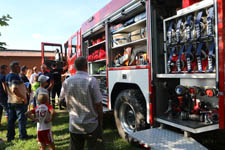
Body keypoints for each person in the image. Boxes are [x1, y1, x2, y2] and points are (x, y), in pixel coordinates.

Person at [59, 56, 104, 150]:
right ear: (86, 66)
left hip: (74, 124)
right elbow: (99, 104)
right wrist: (100, 122)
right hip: (91, 124)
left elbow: (61, 99)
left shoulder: (67, 81)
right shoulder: (92, 80)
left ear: (74, 67)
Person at [6, 61, 32, 142]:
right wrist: (24, 98)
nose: (20, 68)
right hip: (18, 102)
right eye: (18, 67)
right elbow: (15, 89)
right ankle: (23, 136)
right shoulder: (14, 76)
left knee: (11, 120)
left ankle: (10, 137)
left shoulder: (8, 76)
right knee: (22, 120)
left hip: (11, 101)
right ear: (13, 67)